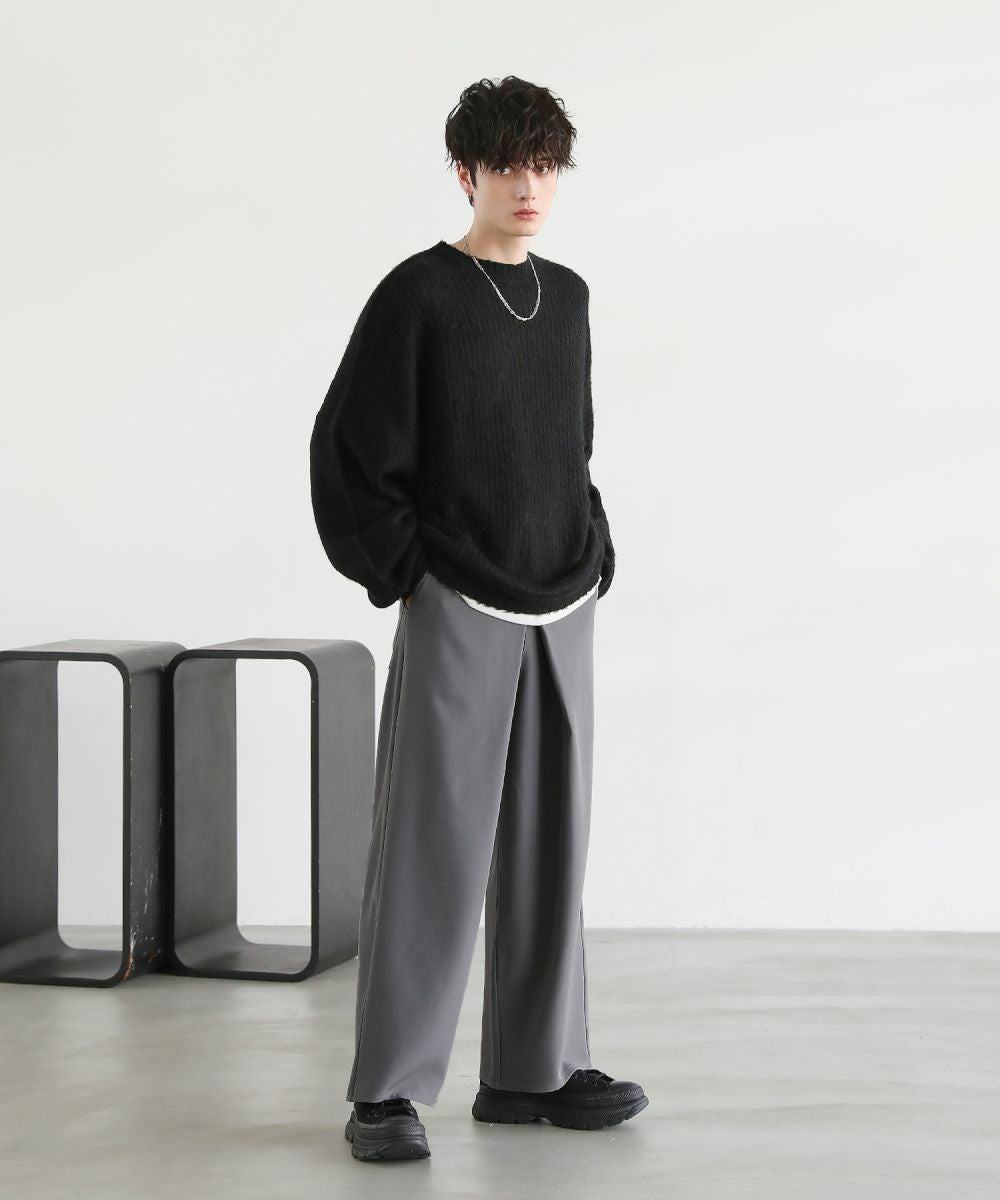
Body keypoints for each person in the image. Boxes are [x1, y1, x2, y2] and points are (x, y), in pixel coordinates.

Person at [309, 74, 648, 1163]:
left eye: (544, 165)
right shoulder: (418, 294)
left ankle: (532, 1072)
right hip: (458, 592)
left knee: (553, 837)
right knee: (432, 841)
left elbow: (569, 443)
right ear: (466, 173)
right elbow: (348, 448)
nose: (528, 185)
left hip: (565, 595)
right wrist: (407, 568)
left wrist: (593, 540)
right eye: (506, 165)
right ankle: (387, 1092)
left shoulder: (571, 299)